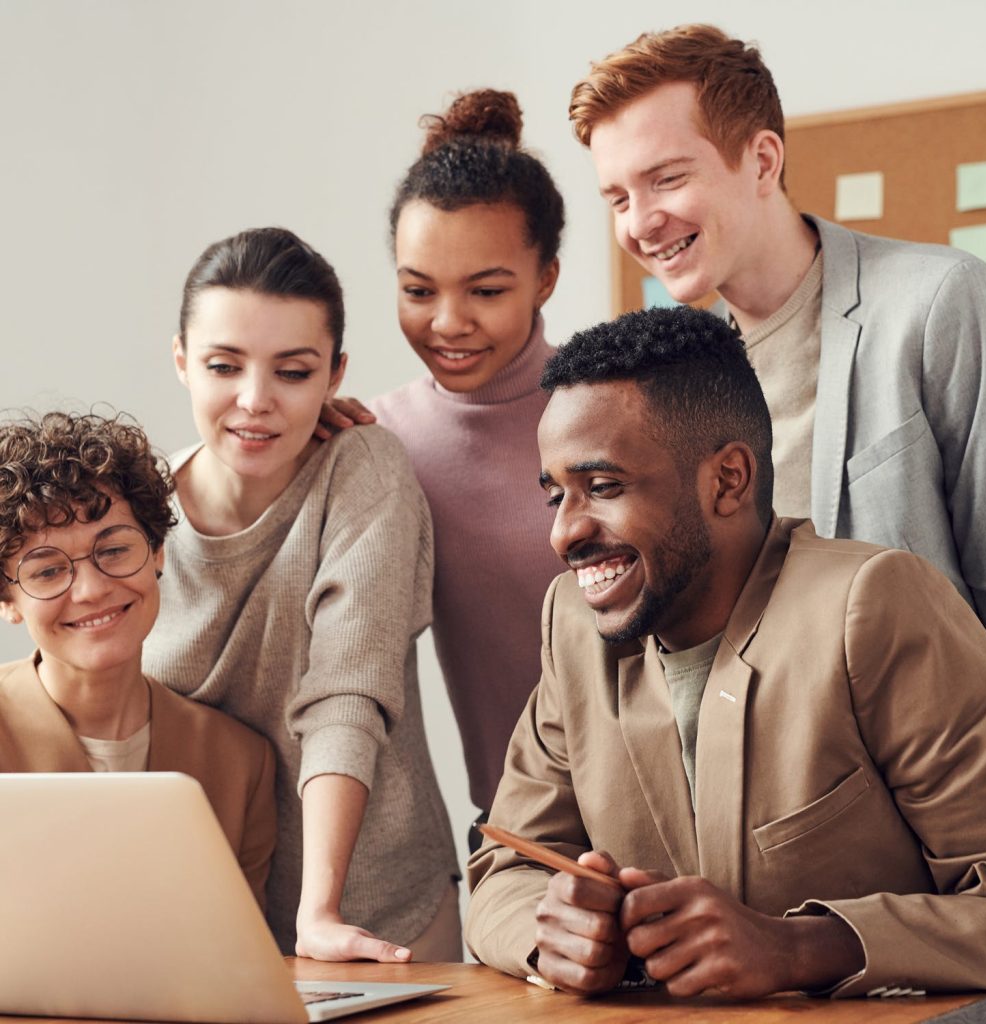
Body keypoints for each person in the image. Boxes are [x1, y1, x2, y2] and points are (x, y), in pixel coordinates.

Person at [466, 305, 986, 999]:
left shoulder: (872, 607)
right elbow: (504, 867)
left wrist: (800, 947)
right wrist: (551, 936)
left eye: (603, 488)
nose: (563, 534)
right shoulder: (575, 625)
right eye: (557, 496)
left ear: (728, 480)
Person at [567, 24, 986, 685]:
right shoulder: (676, 386)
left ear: (762, 161)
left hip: (951, 769)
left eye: (665, 179)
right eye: (618, 198)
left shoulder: (942, 302)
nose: (639, 223)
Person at [143, 227, 460, 961]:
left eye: (292, 372)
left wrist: (318, 914)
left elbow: (346, 691)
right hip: (202, 923)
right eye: (225, 366)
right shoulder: (137, 510)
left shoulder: (362, 471)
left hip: (373, 915)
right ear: (183, 361)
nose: (255, 402)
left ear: (334, 375)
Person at [334, 90, 567, 841]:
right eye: (417, 291)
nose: (447, 323)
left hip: (684, 818)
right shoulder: (378, 439)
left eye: (487, 291)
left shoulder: (618, 406)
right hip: (515, 832)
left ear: (547, 279)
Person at [0, 411, 276, 907]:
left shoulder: (240, 763)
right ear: (7, 603)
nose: (92, 590)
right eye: (45, 572)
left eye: (114, 550)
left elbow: (237, 961)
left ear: (157, 553)